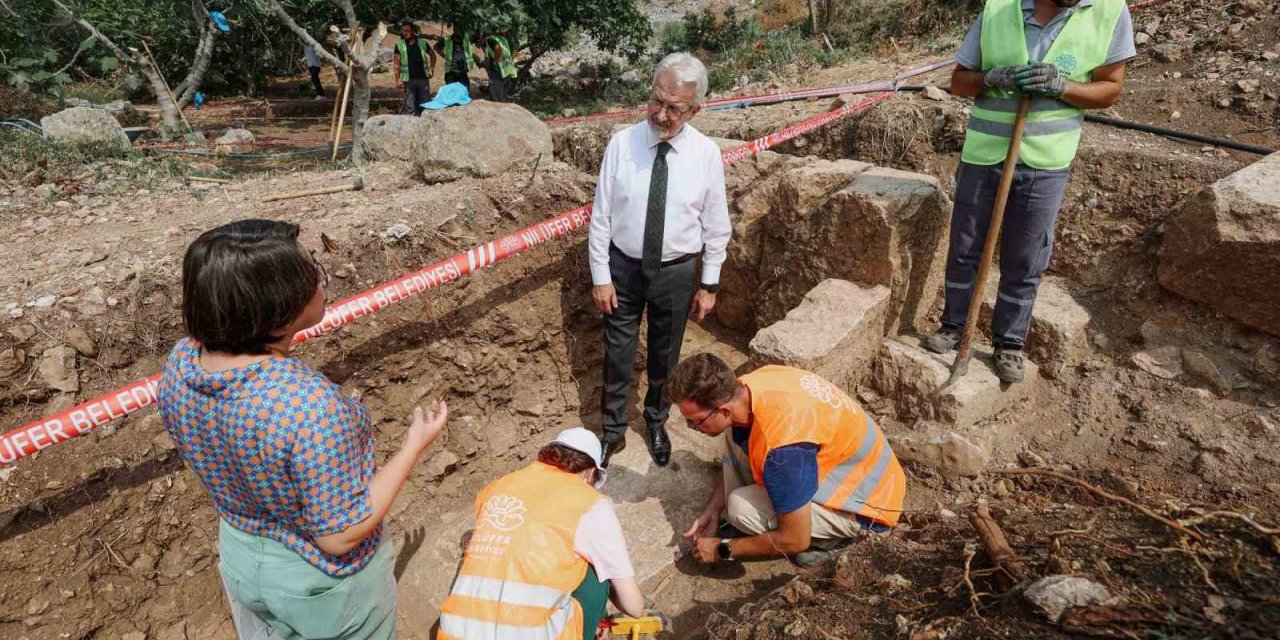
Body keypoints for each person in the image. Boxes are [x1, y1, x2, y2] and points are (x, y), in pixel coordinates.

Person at [158, 219, 449, 639]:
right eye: (312, 276)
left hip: (241, 553)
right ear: (276, 304)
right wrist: (413, 446)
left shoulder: (181, 362)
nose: (322, 284)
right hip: (318, 583)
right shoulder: (308, 406)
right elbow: (340, 536)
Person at [924, 0, 1135, 383]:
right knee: (966, 244)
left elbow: (1111, 89)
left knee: (1025, 256)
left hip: (1046, 160)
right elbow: (959, 82)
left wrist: (1064, 86)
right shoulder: (998, 10)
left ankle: (1009, 343)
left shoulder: (1108, 12)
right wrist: (992, 78)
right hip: (984, 154)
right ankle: (954, 326)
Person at [588, 52, 731, 469]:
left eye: (674, 108)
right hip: (624, 269)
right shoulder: (621, 144)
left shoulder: (705, 154)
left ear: (695, 109)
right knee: (617, 354)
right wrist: (601, 276)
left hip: (676, 271)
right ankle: (613, 432)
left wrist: (709, 285)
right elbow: (601, 217)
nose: (661, 114)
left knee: (665, 356)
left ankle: (655, 420)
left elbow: (716, 225)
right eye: (657, 101)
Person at [667, 353, 906, 567]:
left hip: (869, 509)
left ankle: (836, 541)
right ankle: (776, 509)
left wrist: (722, 549)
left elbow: (794, 539)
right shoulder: (751, 385)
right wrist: (713, 508)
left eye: (695, 421)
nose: (691, 427)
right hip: (866, 472)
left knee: (740, 508)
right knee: (732, 433)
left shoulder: (782, 451)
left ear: (725, 410)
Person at [438, 428, 647, 640]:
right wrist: (595, 612)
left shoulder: (499, 486)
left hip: (452, 633)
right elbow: (634, 606)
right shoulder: (589, 501)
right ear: (591, 472)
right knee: (597, 573)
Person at [394, 20, 437, 116]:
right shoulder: (399, 45)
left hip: (423, 79)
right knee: (410, 107)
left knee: (426, 106)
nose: (405, 33)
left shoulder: (422, 43)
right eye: (403, 31)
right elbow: (396, 64)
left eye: (407, 30)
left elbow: (433, 56)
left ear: (413, 30)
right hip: (409, 81)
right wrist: (398, 79)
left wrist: (431, 69)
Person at [482, 33, 517, 102]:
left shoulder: (491, 39)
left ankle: (496, 100)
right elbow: (515, 50)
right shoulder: (504, 39)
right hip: (507, 67)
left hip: (498, 67)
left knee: (495, 83)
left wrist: (496, 60)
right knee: (502, 85)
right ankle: (502, 99)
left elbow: (497, 47)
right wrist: (510, 60)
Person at [440, 29, 478, 93]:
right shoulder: (447, 39)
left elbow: (478, 37)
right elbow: (436, 47)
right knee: (451, 90)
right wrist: (444, 56)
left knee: (464, 90)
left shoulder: (467, 39)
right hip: (451, 70)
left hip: (462, 70)